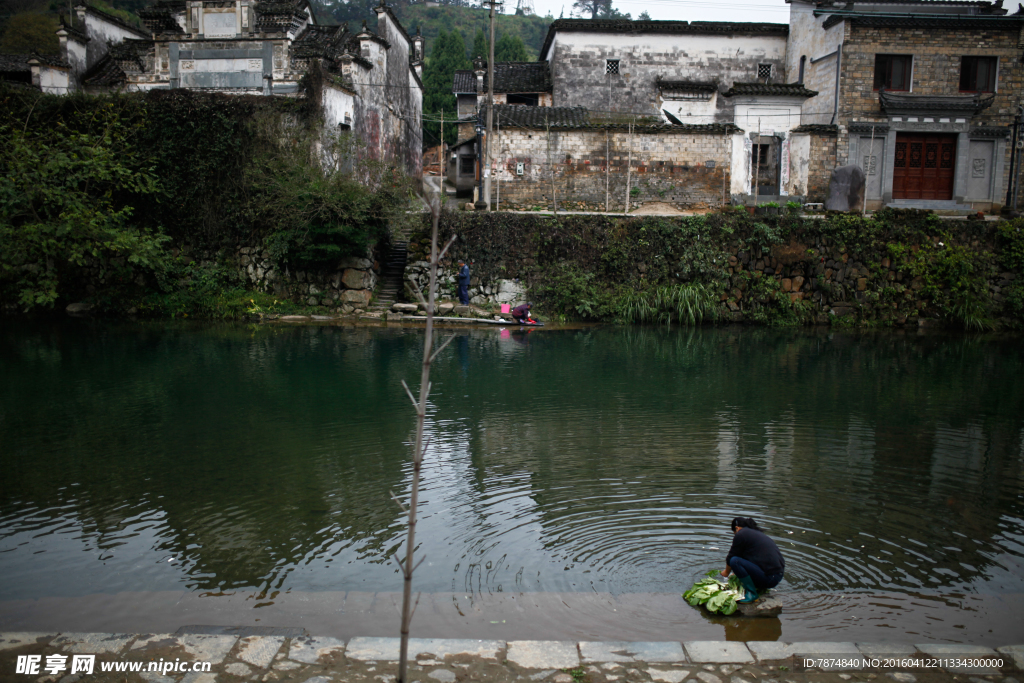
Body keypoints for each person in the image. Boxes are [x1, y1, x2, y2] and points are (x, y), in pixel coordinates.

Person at [720, 517, 784, 604]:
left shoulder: (741, 534)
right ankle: (757, 588)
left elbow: (731, 556)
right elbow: (752, 558)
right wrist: (737, 572)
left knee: (735, 561)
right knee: (738, 561)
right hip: (776, 576)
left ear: (737, 528)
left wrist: (726, 573)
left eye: (734, 533)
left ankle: (752, 594)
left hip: (770, 578)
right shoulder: (755, 534)